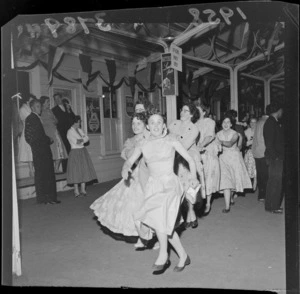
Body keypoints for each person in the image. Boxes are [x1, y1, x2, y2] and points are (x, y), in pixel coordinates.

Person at [122, 110, 199, 275]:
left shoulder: (171, 141)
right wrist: (125, 167)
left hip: (170, 184)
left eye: (159, 122)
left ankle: (163, 254)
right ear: (148, 127)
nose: (156, 125)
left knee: (160, 217)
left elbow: (190, 160)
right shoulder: (143, 144)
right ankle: (183, 256)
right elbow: (130, 160)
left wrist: (193, 177)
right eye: (152, 123)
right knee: (163, 224)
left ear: (164, 126)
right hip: (153, 185)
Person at [90, 112, 148, 240]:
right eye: (133, 123)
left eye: (139, 123)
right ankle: (140, 233)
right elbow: (128, 156)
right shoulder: (131, 141)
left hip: (150, 173)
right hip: (136, 173)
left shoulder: (150, 138)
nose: (135, 126)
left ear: (145, 125)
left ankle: (154, 234)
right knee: (131, 203)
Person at [168, 101, 203, 229]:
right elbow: (166, 138)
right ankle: (177, 216)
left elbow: (184, 146)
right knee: (175, 188)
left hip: (187, 160)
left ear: (192, 114)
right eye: (182, 110)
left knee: (189, 187)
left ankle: (191, 211)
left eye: (186, 111)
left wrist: (175, 139)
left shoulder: (194, 128)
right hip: (172, 158)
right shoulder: (174, 124)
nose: (182, 112)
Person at [25, 99, 60, 204]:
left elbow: (32, 136)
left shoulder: (35, 118)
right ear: (32, 108)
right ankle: (46, 198)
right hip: (41, 151)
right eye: (37, 106)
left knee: (44, 174)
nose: (40, 108)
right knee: (44, 174)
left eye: (40, 106)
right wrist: (48, 139)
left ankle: (46, 198)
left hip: (40, 150)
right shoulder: (32, 118)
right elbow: (32, 136)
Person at [216, 114, 252, 213]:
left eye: (228, 122)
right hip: (223, 159)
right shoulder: (218, 134)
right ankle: (227, 206)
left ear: (231, 124)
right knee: (226, 182)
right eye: (224, 122)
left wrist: (219, 141)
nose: (226, 124)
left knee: (233, 180)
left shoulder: (235, 133)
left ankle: (231, 197)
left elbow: (230, 143)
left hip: (234, 159)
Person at [195, 101, 221, 216]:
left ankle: (208, 203)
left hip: (207, 153)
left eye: (198, 110)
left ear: (204, 112)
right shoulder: (193, 122)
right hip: (195, 153)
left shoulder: (209, 121)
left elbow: (209, 136)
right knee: (197, 178)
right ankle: (197, 202)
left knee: (207, 177)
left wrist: (200, 145)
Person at [66, 115, 98, 197]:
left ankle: (83, 189)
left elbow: (87, 138)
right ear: (74, 122)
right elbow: (77, 142)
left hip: (83, 151)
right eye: (79, 121)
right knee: (76, 171)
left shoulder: (80, 130)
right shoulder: (70, 132)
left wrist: (82, 140)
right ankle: (76, 190)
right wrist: (83, 140)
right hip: (75, 152)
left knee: (84, 169)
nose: (80, 123)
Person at [263, 102, 284, 214]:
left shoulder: (272, 122)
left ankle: (270, 205)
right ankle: (273, 206)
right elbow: (269, 143)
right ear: (278, 110)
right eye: (281, 110)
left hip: (274, 157)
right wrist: (275, 157)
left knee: (273, 182)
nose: (282, 112)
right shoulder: (271, 123)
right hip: (275, 158)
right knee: (276, 182)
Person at [40, 96, 68, 173]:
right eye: (47, 102)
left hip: (55, 131)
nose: (49, 103)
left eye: (49, 101)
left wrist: (53, 120)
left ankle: (56, 169)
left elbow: (56, 120)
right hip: (47, 132)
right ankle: (50, 169)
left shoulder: (50, 111)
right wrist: (51, 121)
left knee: (59, 150)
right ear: (43, 103)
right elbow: (42, 122)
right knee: (50, 151)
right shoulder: (40, 111)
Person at [252, 105, 271, 202]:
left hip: (257, 151)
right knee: (266, 174)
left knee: (260, 174)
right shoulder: (268, 122)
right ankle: (266, 194)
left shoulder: (259, 121)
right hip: (264, 152)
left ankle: (261, 195)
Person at [52, 93, 74, 171]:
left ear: (61, 98)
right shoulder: (54, 110)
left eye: (58, 98)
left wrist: (68, 110)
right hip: (62, 134)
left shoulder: (67, 107)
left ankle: (73, 171)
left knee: (72, 151)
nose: (57, 100)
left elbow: (73, 118)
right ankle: (66, 171)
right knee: (65, 152)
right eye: (55, 99)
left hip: (70, 133)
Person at [18, 94, 35, 177]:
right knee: (29, 152)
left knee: (33, 152)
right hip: (28, 132)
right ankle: (31, 171)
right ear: (27, 100)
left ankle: (34, 170)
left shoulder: (30, 108)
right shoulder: (23, 109)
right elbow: (30, 119)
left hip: (34, 132)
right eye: (31, 100)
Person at [244, 117, 258, 191]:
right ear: (249, 123)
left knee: (256, 166)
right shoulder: (246, 131)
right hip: (249, 151)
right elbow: (244, 143)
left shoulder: (259, 131)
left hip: (257, 151)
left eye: (254, 122)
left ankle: (255, 180)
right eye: (251, 122)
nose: (253, 124)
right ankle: (249, 182)